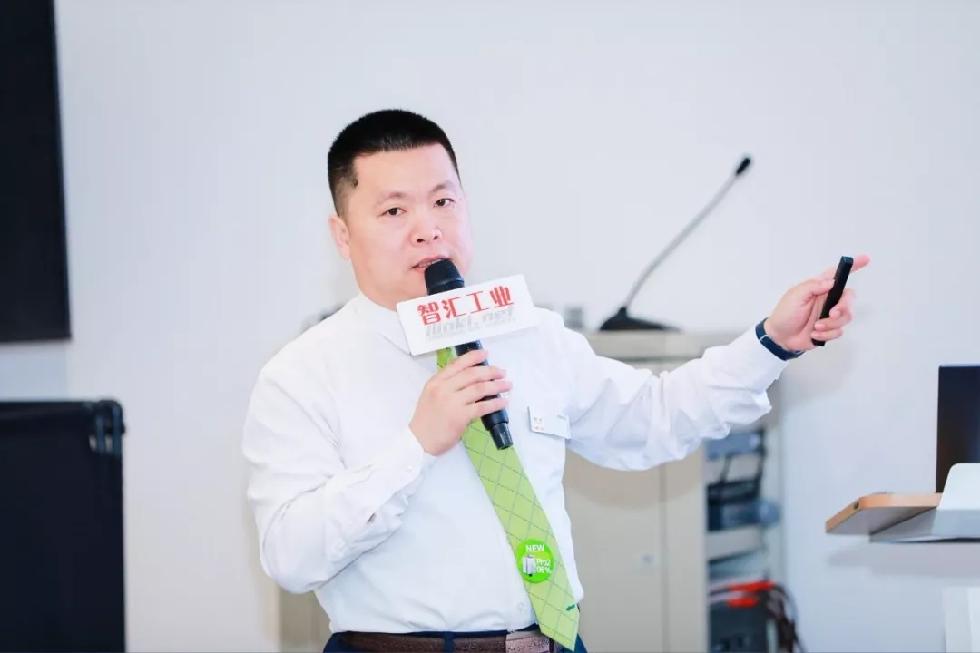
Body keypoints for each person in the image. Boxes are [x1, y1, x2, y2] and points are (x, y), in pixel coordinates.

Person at [242, 109, 868, 653]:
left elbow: (653, 418)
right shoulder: (302, 374)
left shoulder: (527, 334)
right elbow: (291, 556)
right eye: (394, 210)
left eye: (443, 201)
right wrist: (417, 445)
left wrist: (772, 342)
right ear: (343, 235)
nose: (428, 227)